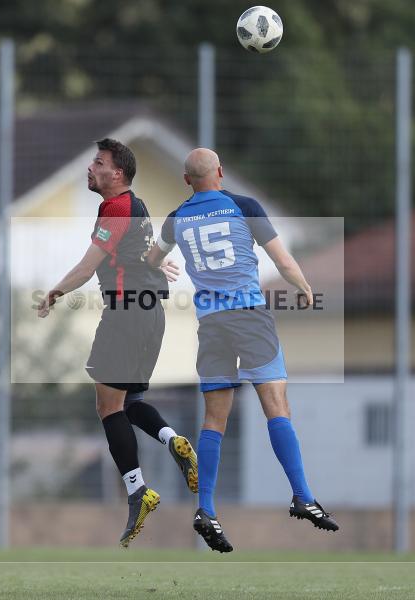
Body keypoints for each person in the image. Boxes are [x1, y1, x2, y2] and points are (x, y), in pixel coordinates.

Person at [145, 148, 339, 552]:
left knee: (215, 419)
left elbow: (152, 258)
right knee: (276, 404)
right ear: (220, 172)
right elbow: (282, 260)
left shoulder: (178, 217)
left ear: (186, 180)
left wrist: (158, 266)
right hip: (250, 318)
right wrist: (303, 287)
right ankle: (302, 495)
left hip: (211, 325)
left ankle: (206, 508)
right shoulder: (243, 206)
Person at [37, 138, 198, 547]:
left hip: (125, 315)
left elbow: (89, 267)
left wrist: (55, 291)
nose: (91, 168)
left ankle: (138, 490)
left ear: (118, 174)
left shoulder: (116, 207)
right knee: (129, 403)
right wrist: (158, 260)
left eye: (99, 163)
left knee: (107, 407)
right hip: (151, 317)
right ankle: (172, 440)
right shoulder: (138, 206)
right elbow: (143, 253)